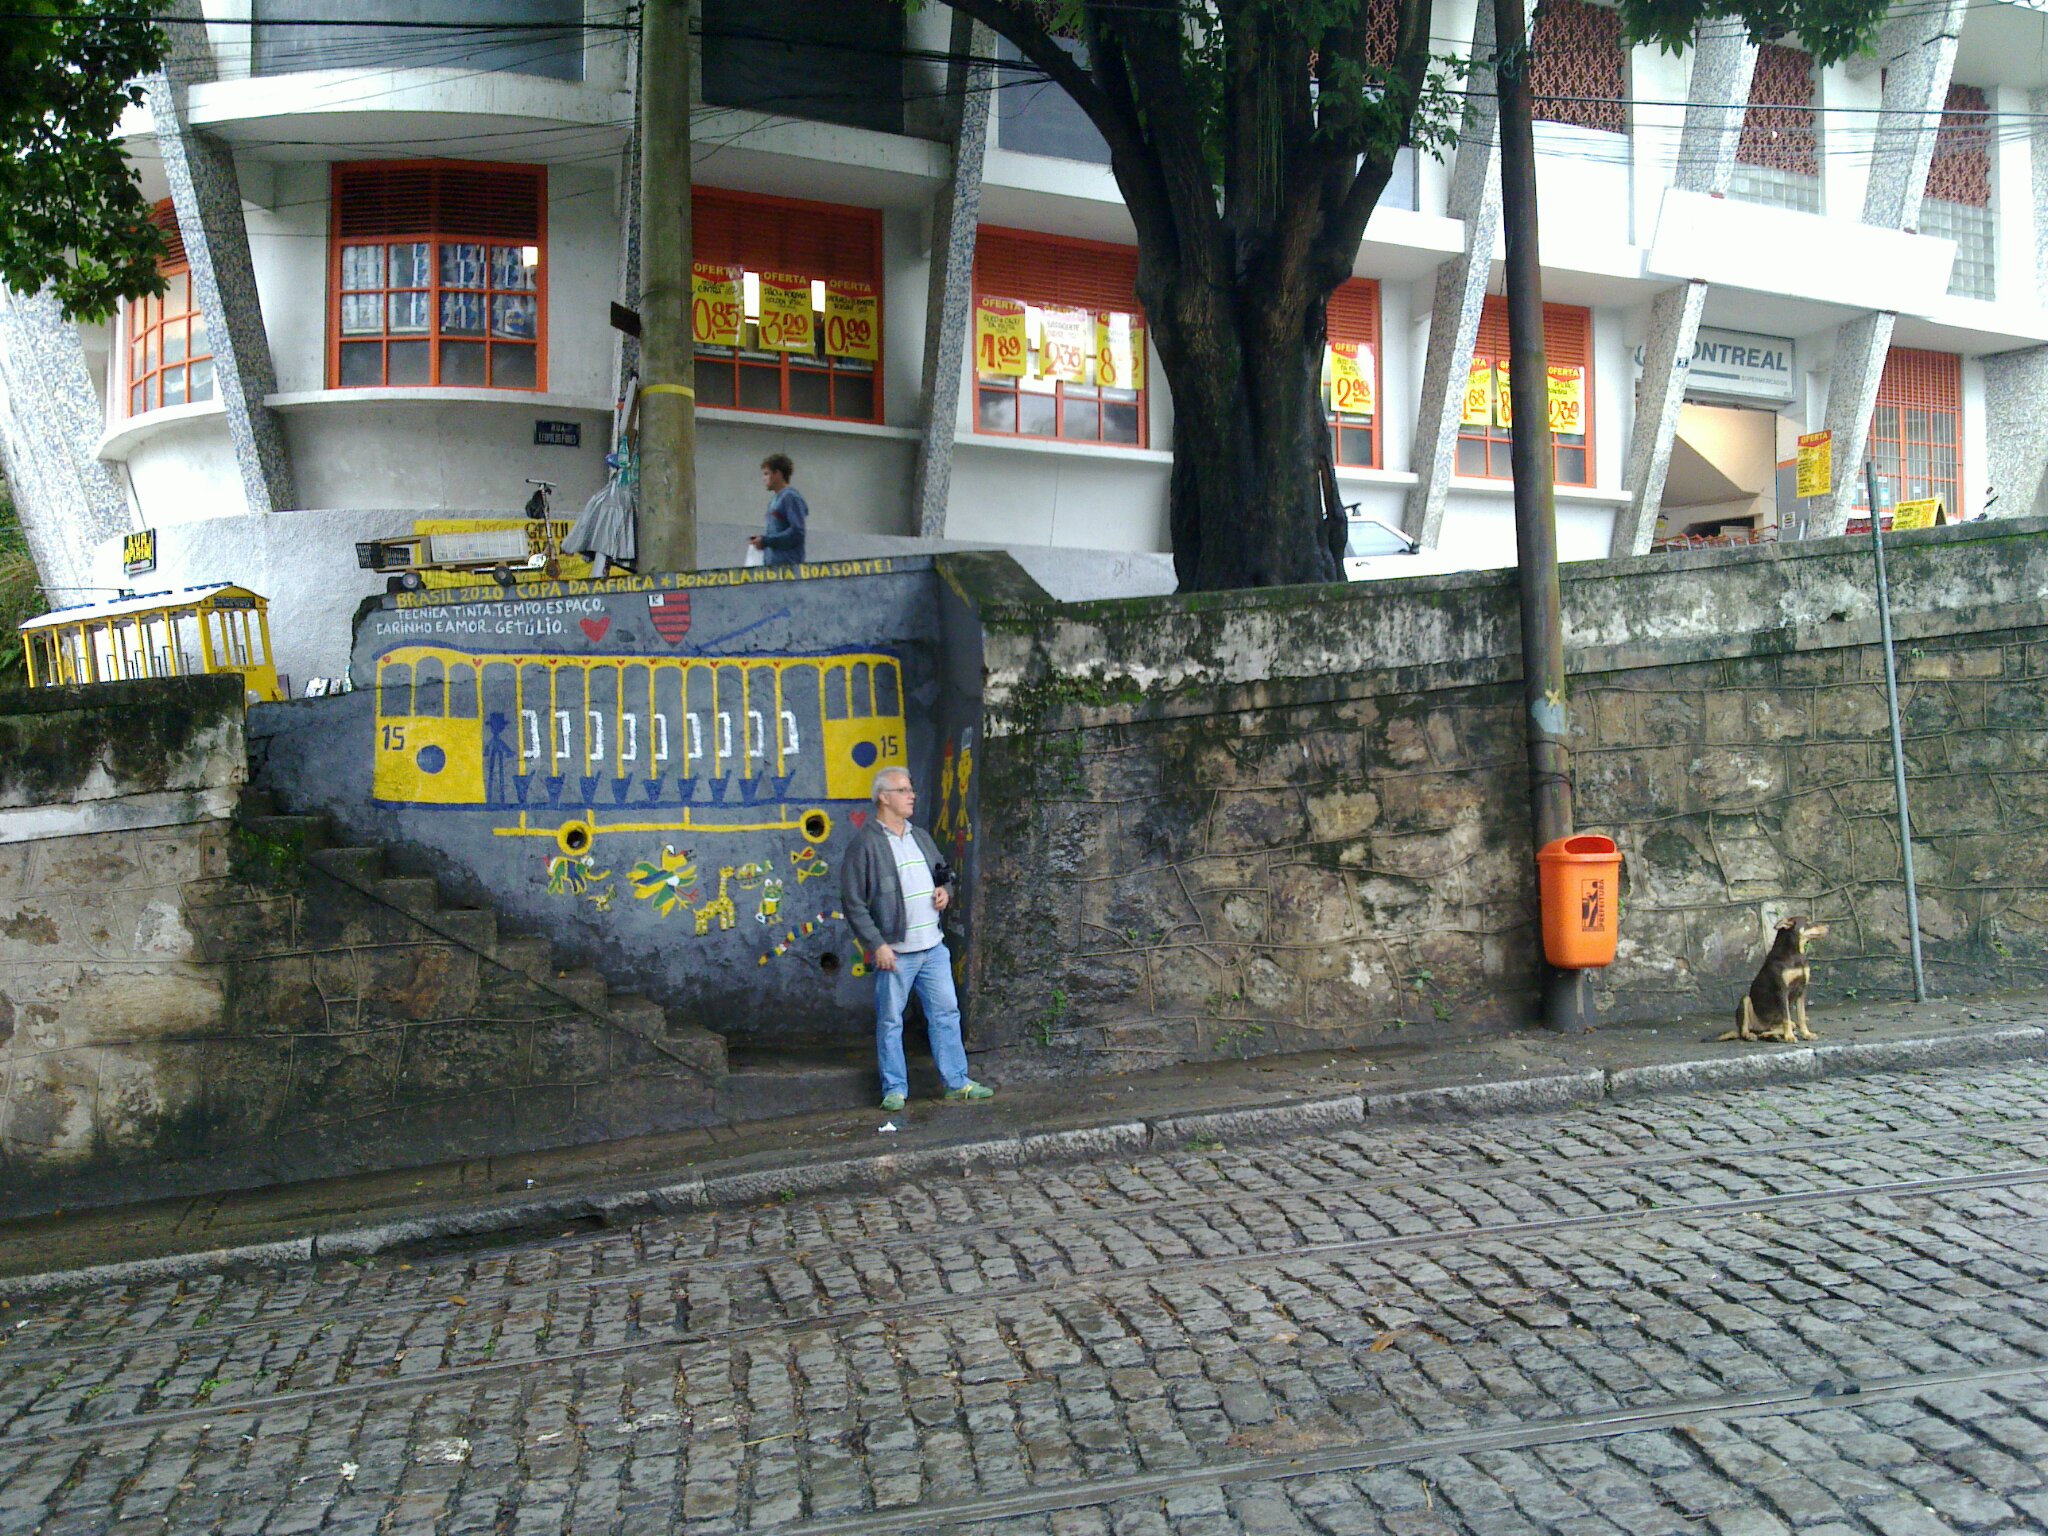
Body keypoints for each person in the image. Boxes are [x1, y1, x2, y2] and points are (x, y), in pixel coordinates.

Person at [841, 765, 994, 1110]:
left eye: (911, 790)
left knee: (946, 1014)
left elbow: (944, 874)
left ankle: (957, 1082)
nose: (912, 796)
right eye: (904, 790)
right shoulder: (865, 845)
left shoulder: (920, 836)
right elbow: (852, 902)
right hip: (896, 953)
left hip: (933, 948)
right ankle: (894, 1089)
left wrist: (945, 891)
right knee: (891, 1022)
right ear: (884, 797)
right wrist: (877, 944)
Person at [749, 453, 808, 566]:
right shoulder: (774, 500)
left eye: (766, 474)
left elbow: (797, 532)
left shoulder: (790, 497)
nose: (763, 479)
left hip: (788, 567)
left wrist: (766, 541)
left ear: (778, 474)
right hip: (773, 567)